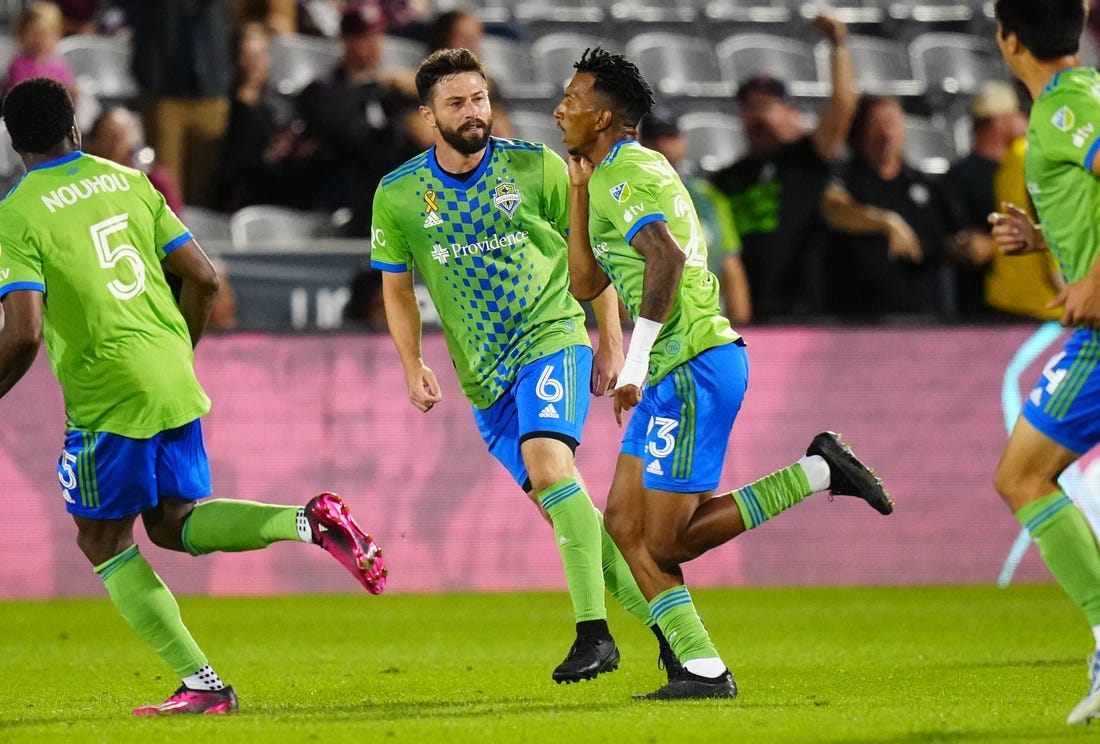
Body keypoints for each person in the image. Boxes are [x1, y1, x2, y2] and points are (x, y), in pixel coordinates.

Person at [0, 77, 386, 715]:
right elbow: (204, 275)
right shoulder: (127, 181)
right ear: (74, 126)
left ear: (13, 141)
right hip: (171, 373)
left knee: (101, 542)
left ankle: (202, 684)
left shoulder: (18, 213)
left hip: (108, 393)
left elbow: (24, 332)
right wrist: (180, 347)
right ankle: (307, 520)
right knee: (174, 525)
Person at [553, 47, 892, 700]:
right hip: (683, 366)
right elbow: (585, 280)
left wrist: (637, 360)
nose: (560, 106)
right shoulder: (610, 176)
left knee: (668, 540)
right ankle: (701, 667)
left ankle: (819, 469)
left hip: (691, 366)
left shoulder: (624, 174)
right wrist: (573, 191)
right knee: (624, 526)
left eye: (574, 97)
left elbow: (666, 260)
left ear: (604, 116)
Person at [370, 48, 676, 684]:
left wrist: (610, 339)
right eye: (456, 103)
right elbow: (396, 288)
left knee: (548, 464)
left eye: (479, 98)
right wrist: (411, 364)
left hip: (550, 337)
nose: (473, 112)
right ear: (429, 115)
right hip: (485, 380)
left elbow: (593, 256)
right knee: (573, 518)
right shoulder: (399, 196)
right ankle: (673, 633)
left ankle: (593, 634)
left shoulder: (534, 167)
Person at [989, 0, 1100, 726]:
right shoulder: (1071, 105)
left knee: (1023, 475)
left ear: (1009, 39)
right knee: (1023, 475)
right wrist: (1048, 241)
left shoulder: (1067, 110)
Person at [710, 12, 855, 321]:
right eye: (749, 109)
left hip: (804, 310)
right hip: (748, 313)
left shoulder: (805, 160)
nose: (757, 117)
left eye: (766, 107)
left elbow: (842, 108)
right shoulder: (726, 179)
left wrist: (838, 45)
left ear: (791, 113)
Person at [820, 95, 956, 320]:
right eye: (876, 124)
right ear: (860, 131)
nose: (885, 134)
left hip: (922, 317)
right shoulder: (845, 178)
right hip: (857, 319)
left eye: (892, 123)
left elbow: (949, 239)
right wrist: (886, 222)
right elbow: (834, 211)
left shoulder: (925, 185)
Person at [294, 0, 420, 236]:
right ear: (346, 39)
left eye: (379, 36)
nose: (375, 46)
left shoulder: (393, 92)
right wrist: (376, 87)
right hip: (342, 199)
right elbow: (348, 132)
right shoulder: (322, 92)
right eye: (365, 37)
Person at [638, 109, 752, 324]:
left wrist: (743, 325)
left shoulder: (707, 197)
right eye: (653, 138)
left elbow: (731, 265)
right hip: (648, 321)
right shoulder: (625, 195)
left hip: (705, 321)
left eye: (669, 137)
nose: (661, 145)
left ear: (682, 143)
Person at [939, 81, 1030, 318]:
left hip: (1027, 299)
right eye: (1016, 115)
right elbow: (964, 244)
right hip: (983, 306)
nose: (1024, 122)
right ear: (998, 120)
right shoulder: (960, 178)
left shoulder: (1024, 170)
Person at [5, 2, 75, 94]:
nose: (41, 40)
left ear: (58, 35)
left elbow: (69, 91)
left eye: (47, 34)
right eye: (36, 34)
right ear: (21, 34)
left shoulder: (60, 65)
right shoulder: (18, 66)